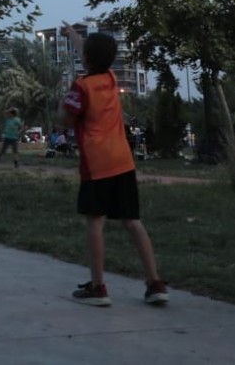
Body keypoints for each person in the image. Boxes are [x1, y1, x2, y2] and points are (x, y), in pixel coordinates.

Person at [61, 25, 167, 307]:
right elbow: (89, 49)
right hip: (123, 161)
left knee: (96, 222)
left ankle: (98, 287)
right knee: (133, 221)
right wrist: (72, 34)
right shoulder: (109, 77)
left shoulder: (81, 86)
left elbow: (66, 120)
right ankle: (155, 282)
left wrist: (68, 108)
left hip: (96, 164)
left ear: (85, 60)